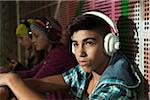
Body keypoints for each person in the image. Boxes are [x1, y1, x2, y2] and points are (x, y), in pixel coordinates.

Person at [0, 11, 146, 100]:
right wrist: (8, 86)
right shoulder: (86, 71)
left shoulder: (116, 89)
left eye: (89, 43)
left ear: (109, 45)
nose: (80, 52)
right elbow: (40, 83)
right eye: (75, 44)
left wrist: (12, 80)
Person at [0, 17, 77, 100]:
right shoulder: (52, 53)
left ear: (49, 36)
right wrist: (9, 75)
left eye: (36, 36)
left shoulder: (60, 54)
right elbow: (33, 73)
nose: (33, 41)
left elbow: (37, 80)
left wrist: (10, 79)